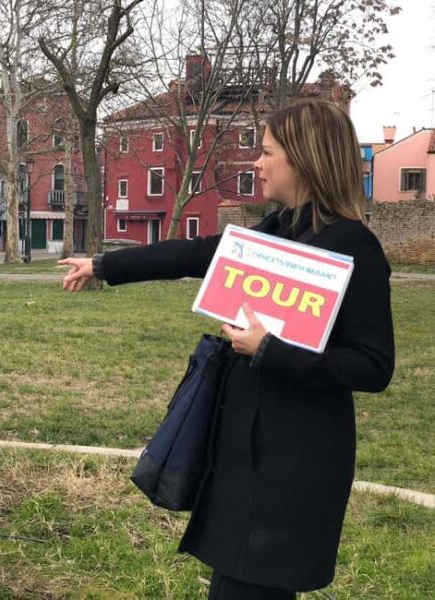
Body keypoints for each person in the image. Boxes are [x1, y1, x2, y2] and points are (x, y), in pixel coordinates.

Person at [60, 99, 394, 599]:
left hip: (295, 461)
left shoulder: (353, 246)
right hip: (245, 451)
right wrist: (105, 266)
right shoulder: (279, 230)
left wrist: (270, 349)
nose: (255, 165)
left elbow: (374, 365)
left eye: (265, 153)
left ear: (303, 159)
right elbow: (197, 253)